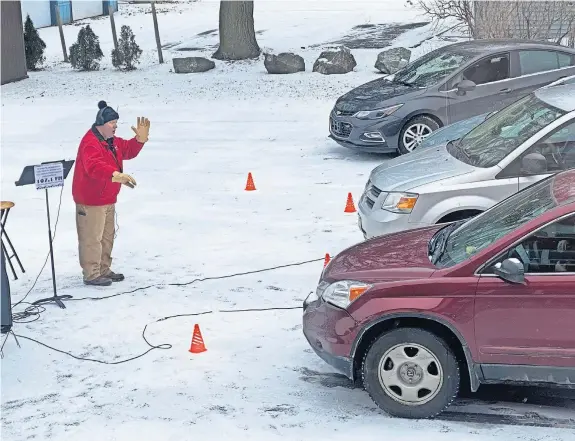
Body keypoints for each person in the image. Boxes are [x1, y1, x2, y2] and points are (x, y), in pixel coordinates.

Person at [71, 100, 150, 286]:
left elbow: (127, 150)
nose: (115, 126)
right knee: (92, 238)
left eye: (116, 122)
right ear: (101, 124)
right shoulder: (90, 142)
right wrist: (115, 175)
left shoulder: (111, 141)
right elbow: (94, 167)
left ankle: (104, 269)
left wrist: (139, 140)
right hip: (90, 200)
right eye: (112, 123)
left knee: (106, 237)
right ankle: (92, 273)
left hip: (107, 198)